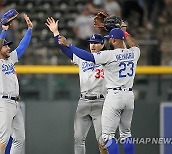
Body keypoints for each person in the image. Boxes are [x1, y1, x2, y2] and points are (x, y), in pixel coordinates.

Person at [59, 27, 140, 154]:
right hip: (129, 95)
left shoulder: (110, 55)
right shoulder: (134, 52)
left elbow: (88, 56)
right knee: (126, 133)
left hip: (114, 95)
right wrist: (123, 30)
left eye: (110, 39)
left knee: (107, 136)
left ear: (113, 40)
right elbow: (134, 44)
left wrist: (69, 45)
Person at [45, 17, 108, 154]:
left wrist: (69, 44)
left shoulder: (107, 57)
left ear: (103, 45)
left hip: (101, 102)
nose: (93, 45)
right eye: (91, 42)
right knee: (78, 139)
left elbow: (71, 47)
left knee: (103, 141)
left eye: (96, 43)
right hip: (83, 102)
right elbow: (65, 49)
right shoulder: (82, 57)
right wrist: (56, 33)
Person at [0, 14, 33, 154]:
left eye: (8, 46)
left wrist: (30, 29)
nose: (8, 48)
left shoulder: (10, 59)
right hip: (3, 102)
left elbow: (22, 46)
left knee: (20, 138)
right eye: (5, 46)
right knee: (3, 139)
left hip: (15, 103)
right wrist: (4, 30)